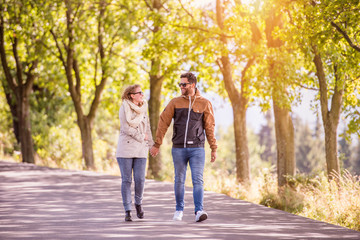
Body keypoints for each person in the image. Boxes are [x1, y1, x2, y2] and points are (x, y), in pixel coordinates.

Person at [150, 72, 217, 222]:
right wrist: (157, 143)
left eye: (184, 84)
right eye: (180, 84)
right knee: (179, 179)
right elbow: (163, 122)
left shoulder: (204, 103)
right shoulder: (175, 102)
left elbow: (210, 127)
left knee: (198, 180)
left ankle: (199, 211)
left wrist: (213, 147)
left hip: (197, 149)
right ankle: (179, 209)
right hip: (178, 148)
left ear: (192, 85)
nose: (181, 87)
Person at [116, 84, 154, 222]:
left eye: (142, 92)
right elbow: (126, 128)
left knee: (140, 179)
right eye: (139, 92)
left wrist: (151, 145)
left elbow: (147, 128)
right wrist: (141, 136)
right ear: (132, 95)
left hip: (141, 149)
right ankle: (128, 210)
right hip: (125, 149)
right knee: (126, 180)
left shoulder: (143, 108)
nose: (142, 95)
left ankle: (138, 203)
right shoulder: (124, 107)